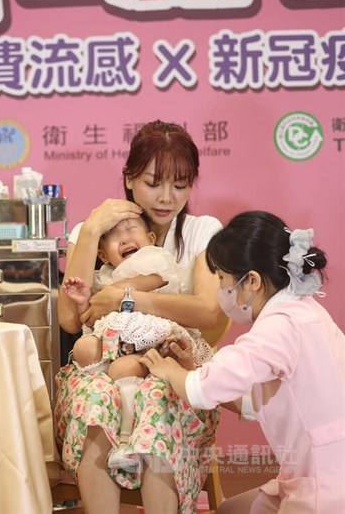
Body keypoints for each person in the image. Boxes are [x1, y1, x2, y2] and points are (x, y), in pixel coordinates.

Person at [54, 120, 229, 514]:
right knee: (93, 396)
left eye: (180, 185)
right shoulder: (94, 231)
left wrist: (127, 297)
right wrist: (92, 231)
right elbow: (69, 319)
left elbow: (207, 309)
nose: (167, 197)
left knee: (157, 396)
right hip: (104, 370)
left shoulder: (201, 231)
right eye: (153, 183)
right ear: (129, 178)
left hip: (174, 370)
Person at [141, 210, 345, 514]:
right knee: (229, 510)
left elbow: (201, 391)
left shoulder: (279, 328)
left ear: (251, 281)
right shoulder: (306, 311)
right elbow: (251, 400)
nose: (220, 290)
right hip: (315, 475)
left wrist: (169, 370)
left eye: (222, 280)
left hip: (324, 491)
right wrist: (193, 369)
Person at [63, 215, 212, 472]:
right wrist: (83, 300)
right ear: (103, 254)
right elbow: (90, 317)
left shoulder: (154, 259)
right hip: (116, 344)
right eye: (114, 237)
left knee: (124, 368)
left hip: (154, 341)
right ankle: (110, 384)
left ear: (151, 239)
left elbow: (154, 280)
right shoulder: (104, 276)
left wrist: (113, 292)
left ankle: (125, 440)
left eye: (131, 230)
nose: (125, 239)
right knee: (82, 348)